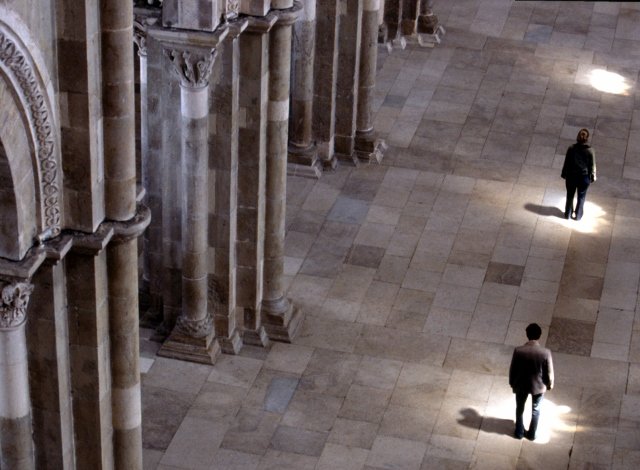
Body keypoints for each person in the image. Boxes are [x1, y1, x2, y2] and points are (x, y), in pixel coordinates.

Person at [508, 323, 554, 441]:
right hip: (538, 386)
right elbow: (549, 372)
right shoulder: (545, 352)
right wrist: (550, 384)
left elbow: (513, 368)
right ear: (539, 336)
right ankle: (532, 434)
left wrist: (512, 382)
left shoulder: (519, 351)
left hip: (521, 384)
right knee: (536, 410)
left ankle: (519, 432)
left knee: (520, 408)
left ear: (527, 335)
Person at [561, 128, 596, 220]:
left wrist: (564, 173)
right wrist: (593, 176)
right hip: (584, 178)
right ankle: (578, 216)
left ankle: (568, 214)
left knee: (570, 195)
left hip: (571, 176)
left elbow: (567, 162)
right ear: (587, 138)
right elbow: (592, 165)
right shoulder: (590, 151)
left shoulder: (571, 148)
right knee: (581, 197)